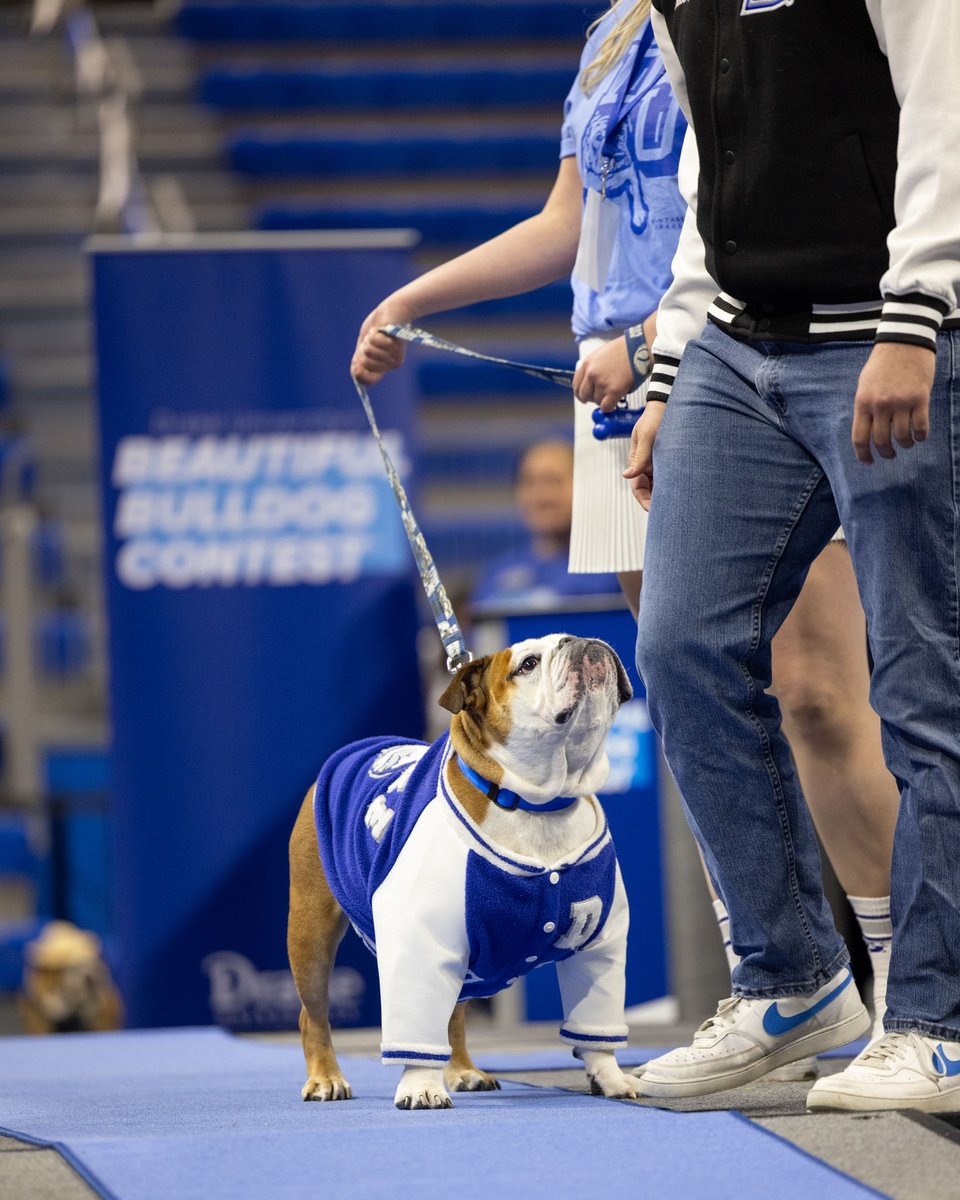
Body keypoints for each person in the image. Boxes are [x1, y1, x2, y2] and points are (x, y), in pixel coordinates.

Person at [352, 0, 897, 1068]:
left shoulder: (758, 18)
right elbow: (569, 227)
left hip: (744, 357)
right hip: (609, 394)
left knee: (823, 697)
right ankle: (778, 989)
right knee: (696, 695)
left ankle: (900, 992)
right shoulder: (607, 37)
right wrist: (409, 302)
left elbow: (759, 197)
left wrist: (654, 340)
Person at [630, 1, 960, 1112]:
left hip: (894, 327)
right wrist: (673, 360)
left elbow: (946, 100)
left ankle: (939, 1020)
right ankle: (796, 980)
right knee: (679, 649)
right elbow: (703, 176)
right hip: (737, 343)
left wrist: (919, 309)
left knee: (923, 682)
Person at [471, 438, 621, 610]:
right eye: (529, 482)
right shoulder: (495, 575)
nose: (540, 496)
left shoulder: (615, 574)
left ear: (586, 488)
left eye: (552, 481)